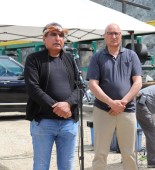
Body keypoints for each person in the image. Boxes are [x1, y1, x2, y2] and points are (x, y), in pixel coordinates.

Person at [24, 22, 80, 170]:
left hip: (68, 123)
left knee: (67, 166)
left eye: (61, 35)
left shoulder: (70, 59)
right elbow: (33, 88)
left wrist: (67, 104)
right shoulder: (34, 59)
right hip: (43, 123)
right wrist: (57, 107)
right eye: (53, 35)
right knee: (41, 166)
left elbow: (79, 87)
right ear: (44, 38)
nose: (58, 38)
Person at [86, 23, 142, 170]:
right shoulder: (97, 57)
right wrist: (111, 103)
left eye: (117, 33)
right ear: (104, 36)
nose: (114, 36)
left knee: (129, 153)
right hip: (103, 111)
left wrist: (122, 103)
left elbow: (138, 82)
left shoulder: (131, 55)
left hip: (127, 110)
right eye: (110, 33)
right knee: (100, 153)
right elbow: (92, 84)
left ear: (121, 36)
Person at [136, 84, 155, 168]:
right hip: (141, 103)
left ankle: (127, 157)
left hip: (138, 102)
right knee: (151, 131)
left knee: (131, 130)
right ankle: (152, 161)